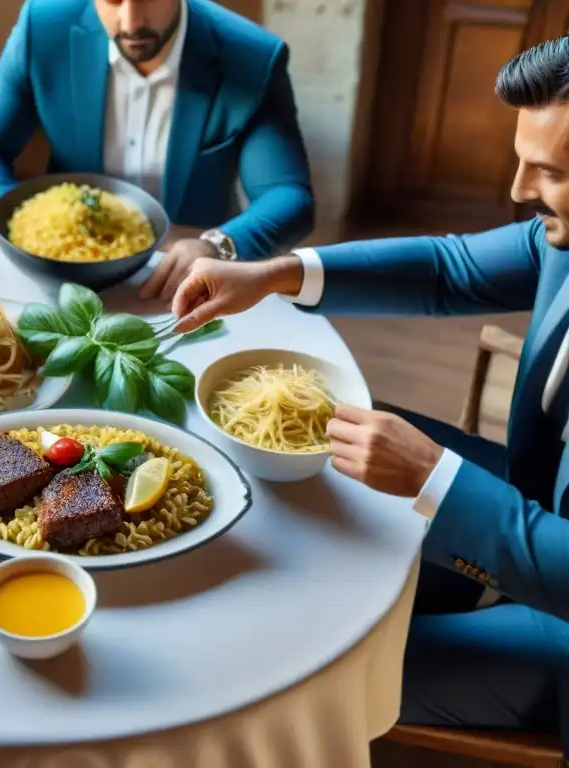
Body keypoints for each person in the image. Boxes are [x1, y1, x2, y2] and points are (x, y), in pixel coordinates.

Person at [172, 36, 569, 753]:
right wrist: (276, 273)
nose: (517, 191)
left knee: (292, 664)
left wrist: (435, 480)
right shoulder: (563, 237)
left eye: (550, 172)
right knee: (304, 529)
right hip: (528, 504)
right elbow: (449, 269)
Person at [0, 0, 315, 301]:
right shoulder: (43, 26)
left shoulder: (253, 57)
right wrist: (14, 230)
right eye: (112, 0)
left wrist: (218, 245)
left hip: (189, 276)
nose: (131, 21)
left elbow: (288, 195)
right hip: (61, 272)